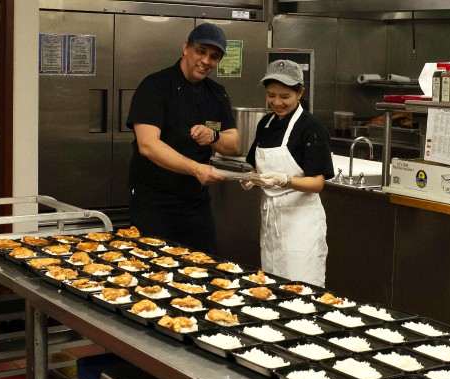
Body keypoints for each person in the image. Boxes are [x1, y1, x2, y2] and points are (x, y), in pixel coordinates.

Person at [126, 23, 240, 251]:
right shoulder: (155, 86)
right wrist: (196, 169)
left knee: (204, 272)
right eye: (201, 51)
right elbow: (148, 145)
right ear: (186, 47)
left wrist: (213, 135)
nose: (206, 61)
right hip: (154, 204)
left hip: (196, 206)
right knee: (151, 276)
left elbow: (233, 145)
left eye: (214, 56)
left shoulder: (216, 93)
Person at [243, 59, 334, 286]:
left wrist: (286, 181)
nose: (277, 102)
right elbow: (256, 164)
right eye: (271, 95)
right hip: (271, 222)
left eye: (285, 97)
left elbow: (317, 183)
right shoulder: (265, 123)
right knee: (271, 286)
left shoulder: (311, 127)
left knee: (300, 291)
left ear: (300, 93)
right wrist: (251, 177)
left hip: (301, 226)